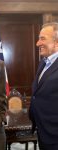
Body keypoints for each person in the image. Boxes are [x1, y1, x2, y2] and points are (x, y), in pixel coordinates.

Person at [29, 22, 58, 150]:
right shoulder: (43, 63)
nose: (38, 43)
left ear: (56, 42)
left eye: (42, 39)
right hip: (43, 131)